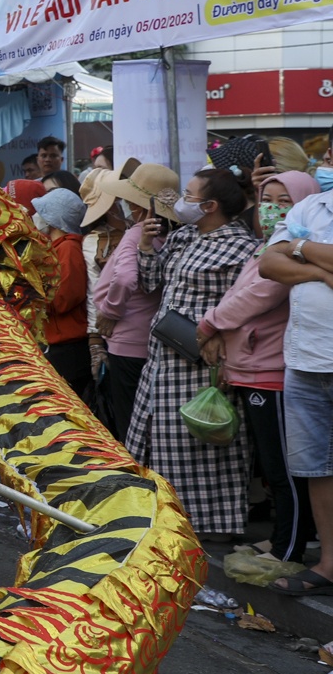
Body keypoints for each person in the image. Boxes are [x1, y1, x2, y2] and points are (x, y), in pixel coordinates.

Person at [129, 167, 262, 539]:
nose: (179, 203)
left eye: (187, 195)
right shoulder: (183, 235)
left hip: (202, 362)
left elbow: (250, 302)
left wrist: (221, 336)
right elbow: (153, 283)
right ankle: (161, 517)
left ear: (210, 205)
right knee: (159, 437)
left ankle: (210, 525)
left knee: (200, 441)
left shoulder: (243, 247)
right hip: (162, 357)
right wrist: (145, 247)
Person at [202, 171, 321, 562]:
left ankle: (289, 548)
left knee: (285, 470)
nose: (272, 208)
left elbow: (257, 297)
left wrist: (211, 323)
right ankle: (284, 539)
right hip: (252, 366)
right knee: (275, 469)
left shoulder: (292, 250)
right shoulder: (266, 247)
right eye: (266, 198)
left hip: (272, 370)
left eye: (283, 201)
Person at [255, 182, 333, 593]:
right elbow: (269, 264)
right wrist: (319, 267)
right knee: (317, 466)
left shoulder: (302, 216)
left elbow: (284, 254)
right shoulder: (310, 206)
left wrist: (298, 248)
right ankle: (329, 564)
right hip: (305, 357)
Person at [92, 164, 178, 444]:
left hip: (128, 342)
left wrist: (109, 311)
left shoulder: (138, 235)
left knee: (131, 425)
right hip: (155, 341)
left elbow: (127, 278)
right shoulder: (174, 235)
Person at [33, 187, 91, 402]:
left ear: (53, 218)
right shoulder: (57, 248)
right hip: (59, 341)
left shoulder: (67, 249)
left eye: (41, 211)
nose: (35, 217)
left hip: (69, 345)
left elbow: (64, 298)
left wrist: (32, 292)